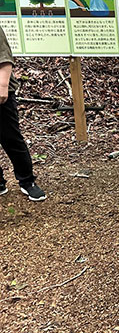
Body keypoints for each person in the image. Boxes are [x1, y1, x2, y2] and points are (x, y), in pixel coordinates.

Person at [0, 26, 46, 202]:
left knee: (11, 138)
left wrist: (3, 86)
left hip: (2, 93)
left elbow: (5, 59)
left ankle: (27, 181)